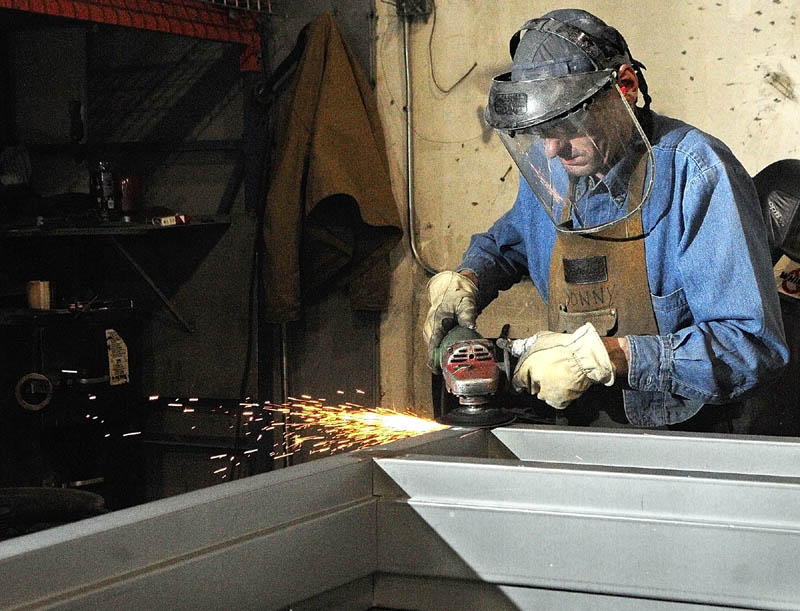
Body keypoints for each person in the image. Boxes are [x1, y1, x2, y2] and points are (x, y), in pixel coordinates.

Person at [423, 9, 789, 430]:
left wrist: (610, 357)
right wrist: (467, 278)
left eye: (567, 124)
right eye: (542, 131)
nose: (551, 150)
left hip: (689, 436)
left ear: (625, 87)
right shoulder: (558, 171)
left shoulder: (697, 173)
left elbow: (751, 346)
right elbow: (512, 240)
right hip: (579, 426)